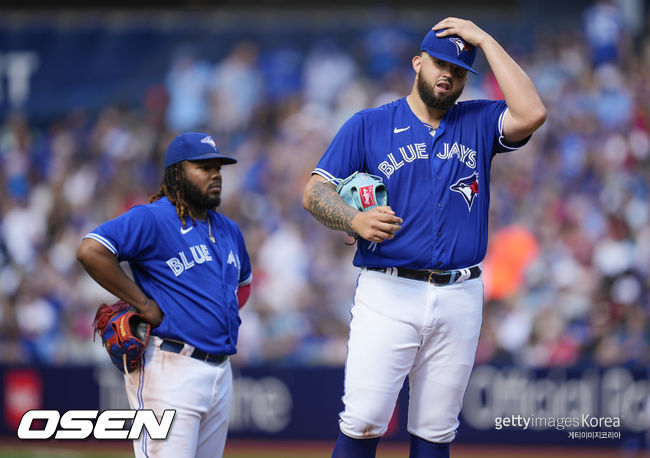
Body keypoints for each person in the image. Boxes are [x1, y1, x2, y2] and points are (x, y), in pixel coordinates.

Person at [302, 17, 546, 458]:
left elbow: (532, 113)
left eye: (458, 69)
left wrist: (487, 41)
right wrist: (353, 221)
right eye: (439, 63)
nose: (447, 74)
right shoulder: (369, 124)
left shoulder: (478, 119)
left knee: (436, 431)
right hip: (389, 289)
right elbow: (314, 191)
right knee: (363, 420)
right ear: (418, 63)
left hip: (461, 294)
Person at [77, 132, 252, 458]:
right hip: (169, 368)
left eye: (218, 168)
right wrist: (143, 303)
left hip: (220, 372)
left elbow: (243, 286)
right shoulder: (153, 217)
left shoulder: (229, 230)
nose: (215, 175)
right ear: (177, 173)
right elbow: (91, 250)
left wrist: (210, 317)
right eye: (203, 167)